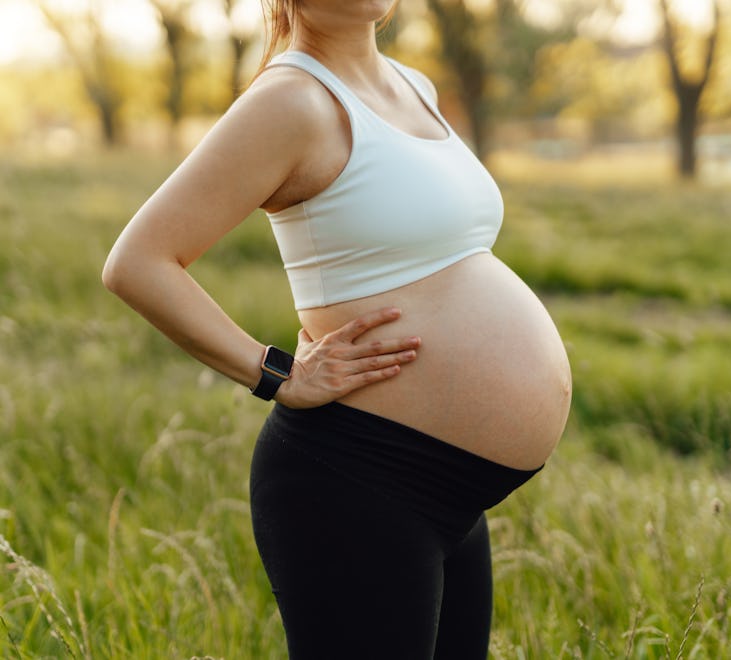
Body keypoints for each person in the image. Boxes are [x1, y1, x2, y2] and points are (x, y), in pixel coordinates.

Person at [102, 0, 572, 657]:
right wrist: (277, 374)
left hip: (448, 492)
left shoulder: (413, 85)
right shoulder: (289, 102)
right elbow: (138, 262)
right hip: (359, 479)